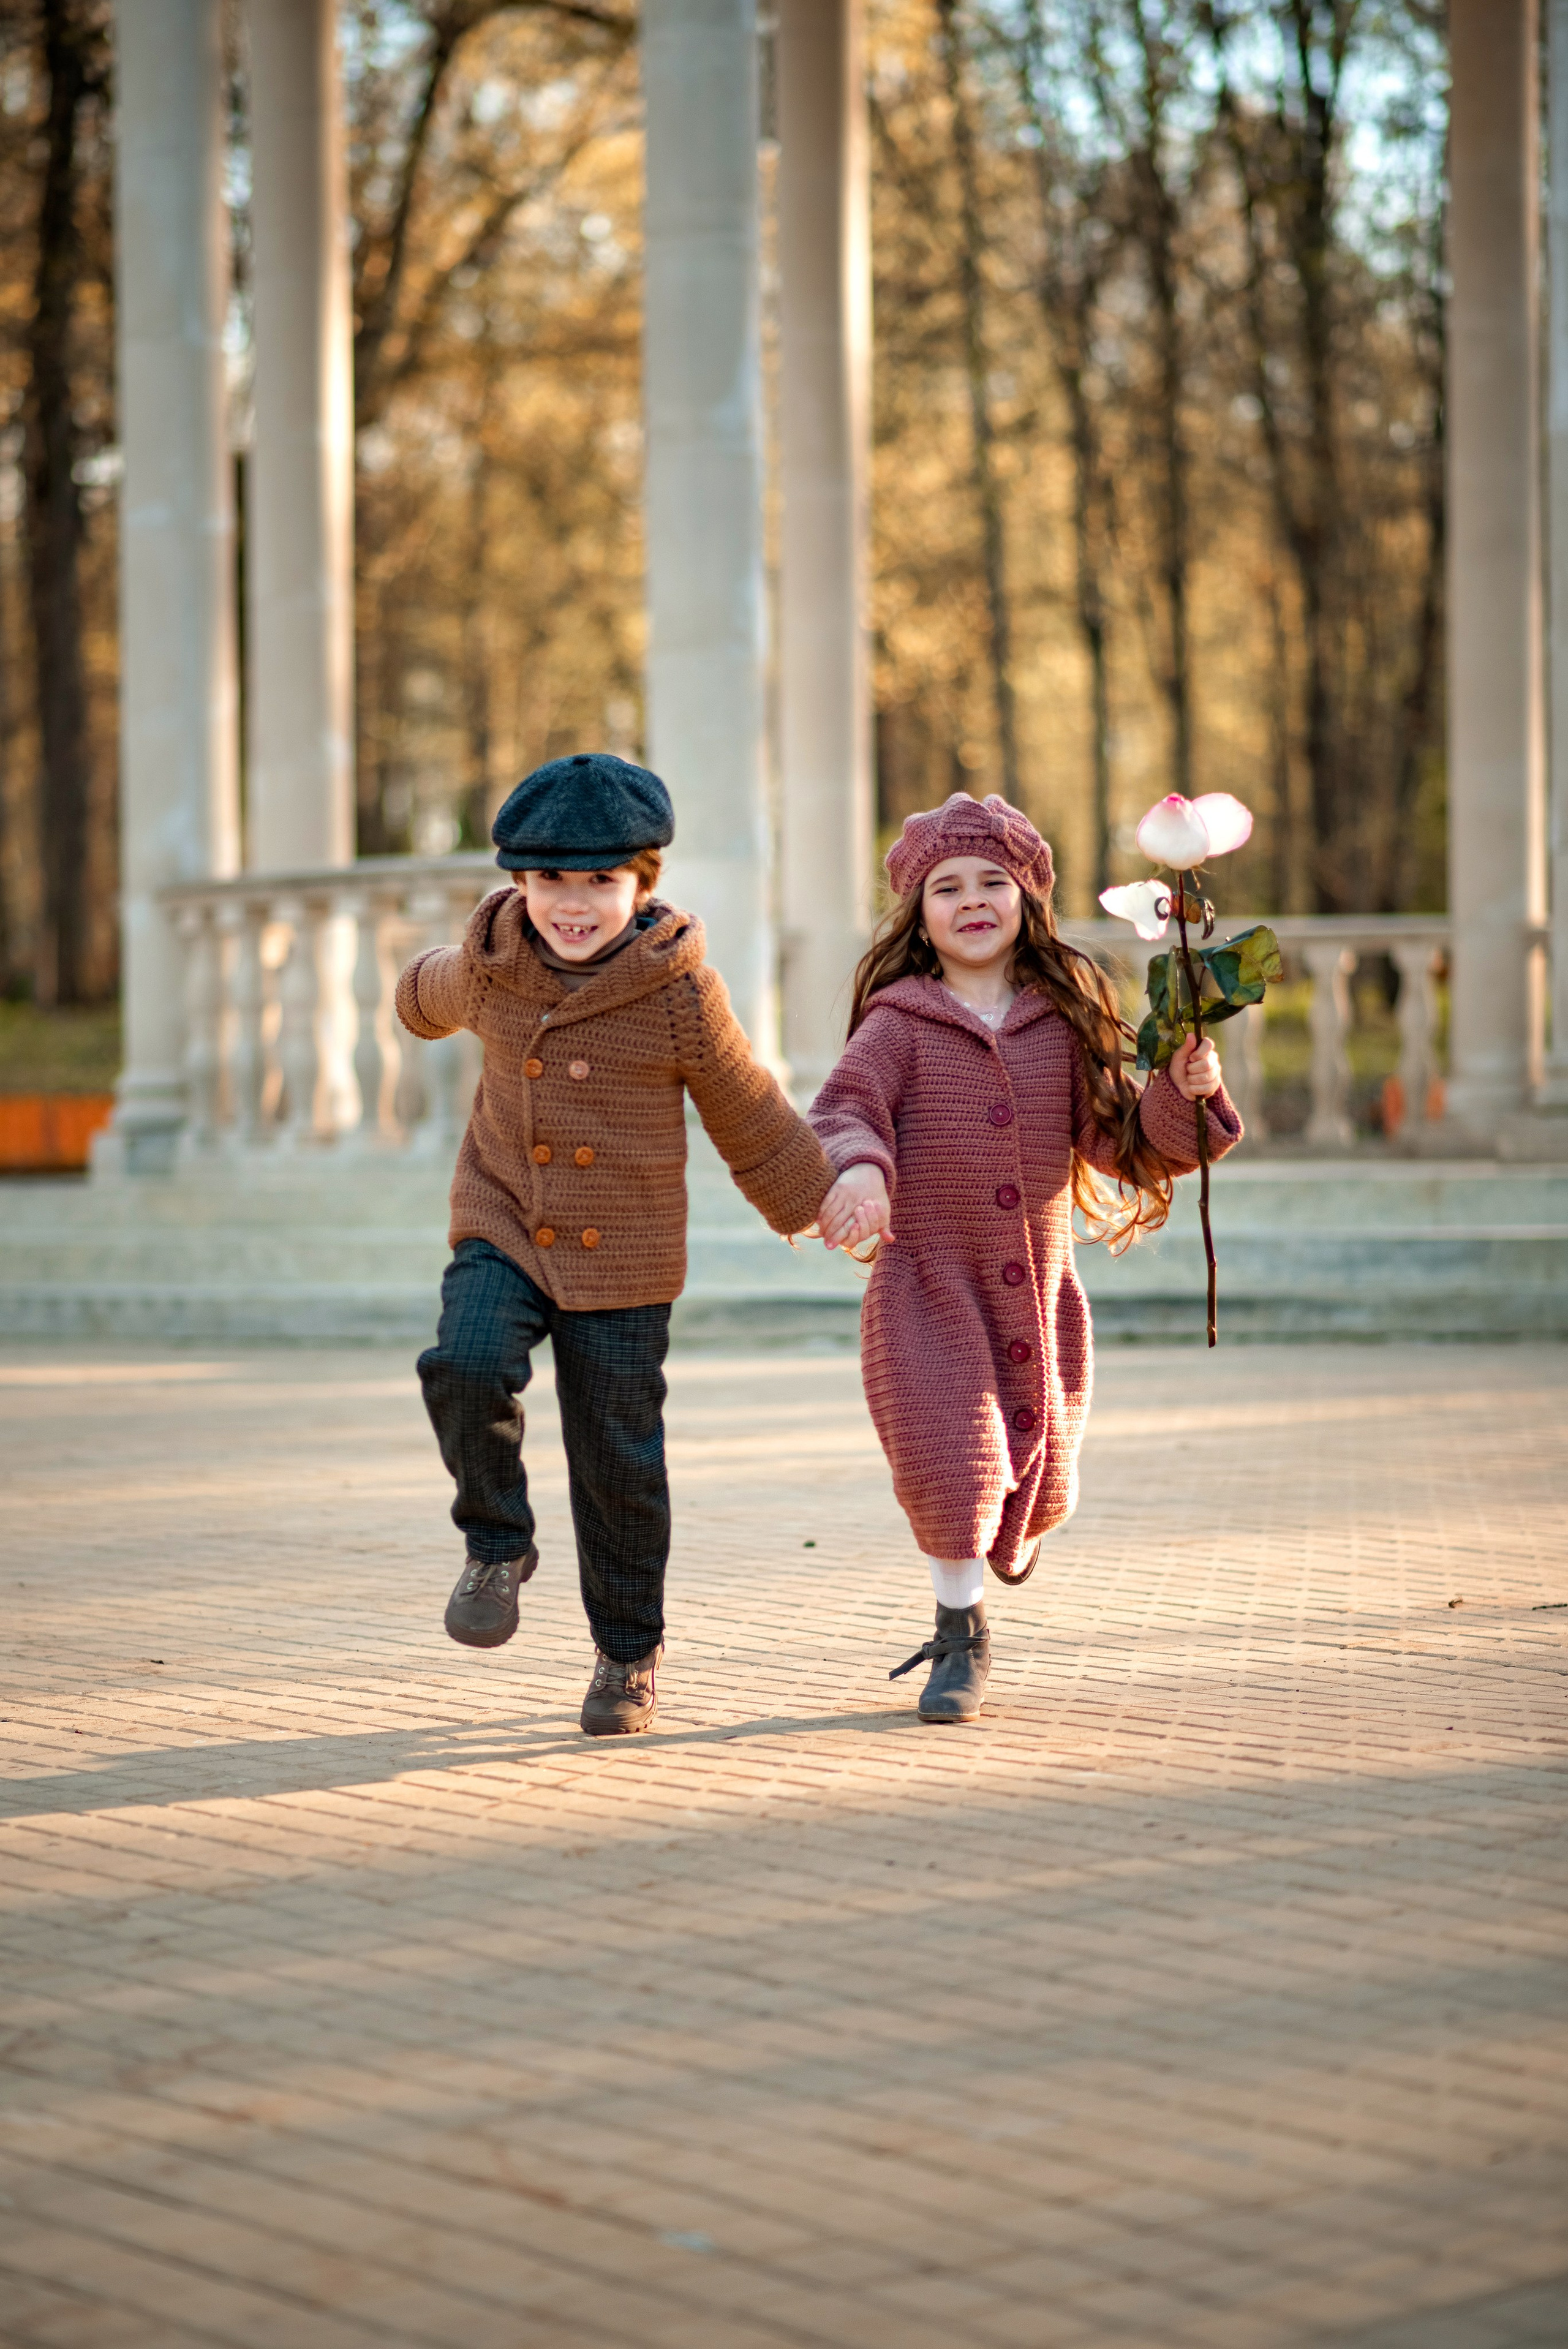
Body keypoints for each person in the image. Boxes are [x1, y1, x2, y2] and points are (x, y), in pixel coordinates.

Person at [398, 752, 835, 1736]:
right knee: (464, 1364)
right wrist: (416, 995)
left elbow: (749, 1108)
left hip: (625, 1255)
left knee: (617, 1462)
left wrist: (818, 1201)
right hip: (504, 1218)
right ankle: (498, 1542)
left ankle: (628, 1655)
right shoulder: (491, 962)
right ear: (519, 881)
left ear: (643, 884)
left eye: (600, 881)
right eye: (552, 880)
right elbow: (424, 998)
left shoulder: (679, 992)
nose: (574, 904)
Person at [809, 791, 1241, 1724]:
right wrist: (864, 1174)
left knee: (1039, 1491)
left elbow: (1126, 1142)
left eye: (993, 881)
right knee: (950, 1466)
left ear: (1028, 898)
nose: (972, 900)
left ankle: (1011, 1530)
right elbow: (845, 1110)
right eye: (947, 886)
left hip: (1036, 1298)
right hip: (928, 1289)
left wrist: (1183, 1088)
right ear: (918, 915)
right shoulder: (899, 1023)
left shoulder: (1064, 1021)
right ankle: (959, 1634)